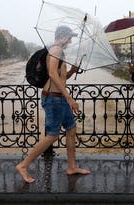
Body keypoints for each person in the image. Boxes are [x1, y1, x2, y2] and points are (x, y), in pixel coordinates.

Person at [16, 25, 91, 183]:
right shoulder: (55, 50)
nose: (70, 41)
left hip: (59, 99)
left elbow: (60, 78)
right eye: (69, 37)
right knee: (52, 135)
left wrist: (71, 71)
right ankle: (23, 165)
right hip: (53, 99)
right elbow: (51, 74)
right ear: (63, 36)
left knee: (71, 129)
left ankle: (71, 167)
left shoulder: (59, 52)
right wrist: (70, 98)